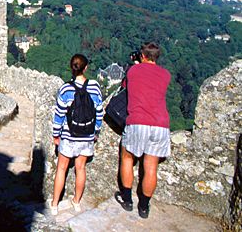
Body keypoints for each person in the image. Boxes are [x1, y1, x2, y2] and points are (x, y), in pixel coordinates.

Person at [115, 42, 171, 219]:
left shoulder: (133, 71)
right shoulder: (166, 74)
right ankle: (144, 207)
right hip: (161, 124)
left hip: (138, 121)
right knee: (151, 166)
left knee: (127, 158)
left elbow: (126, 86)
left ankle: (127, 200)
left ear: (143, 55)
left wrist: (136, 65)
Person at [49, 54, 104, 215]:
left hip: (69, 135)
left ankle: (54, 204)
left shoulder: (66, 89)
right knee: (80, 168)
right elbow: (99, 112)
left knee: (61, 169)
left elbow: (59, 115)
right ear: (85, 68)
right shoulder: (94, 86)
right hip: (87, 135)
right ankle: (77, 202)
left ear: (71, 67)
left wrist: (55, 135)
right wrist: (96, 132)